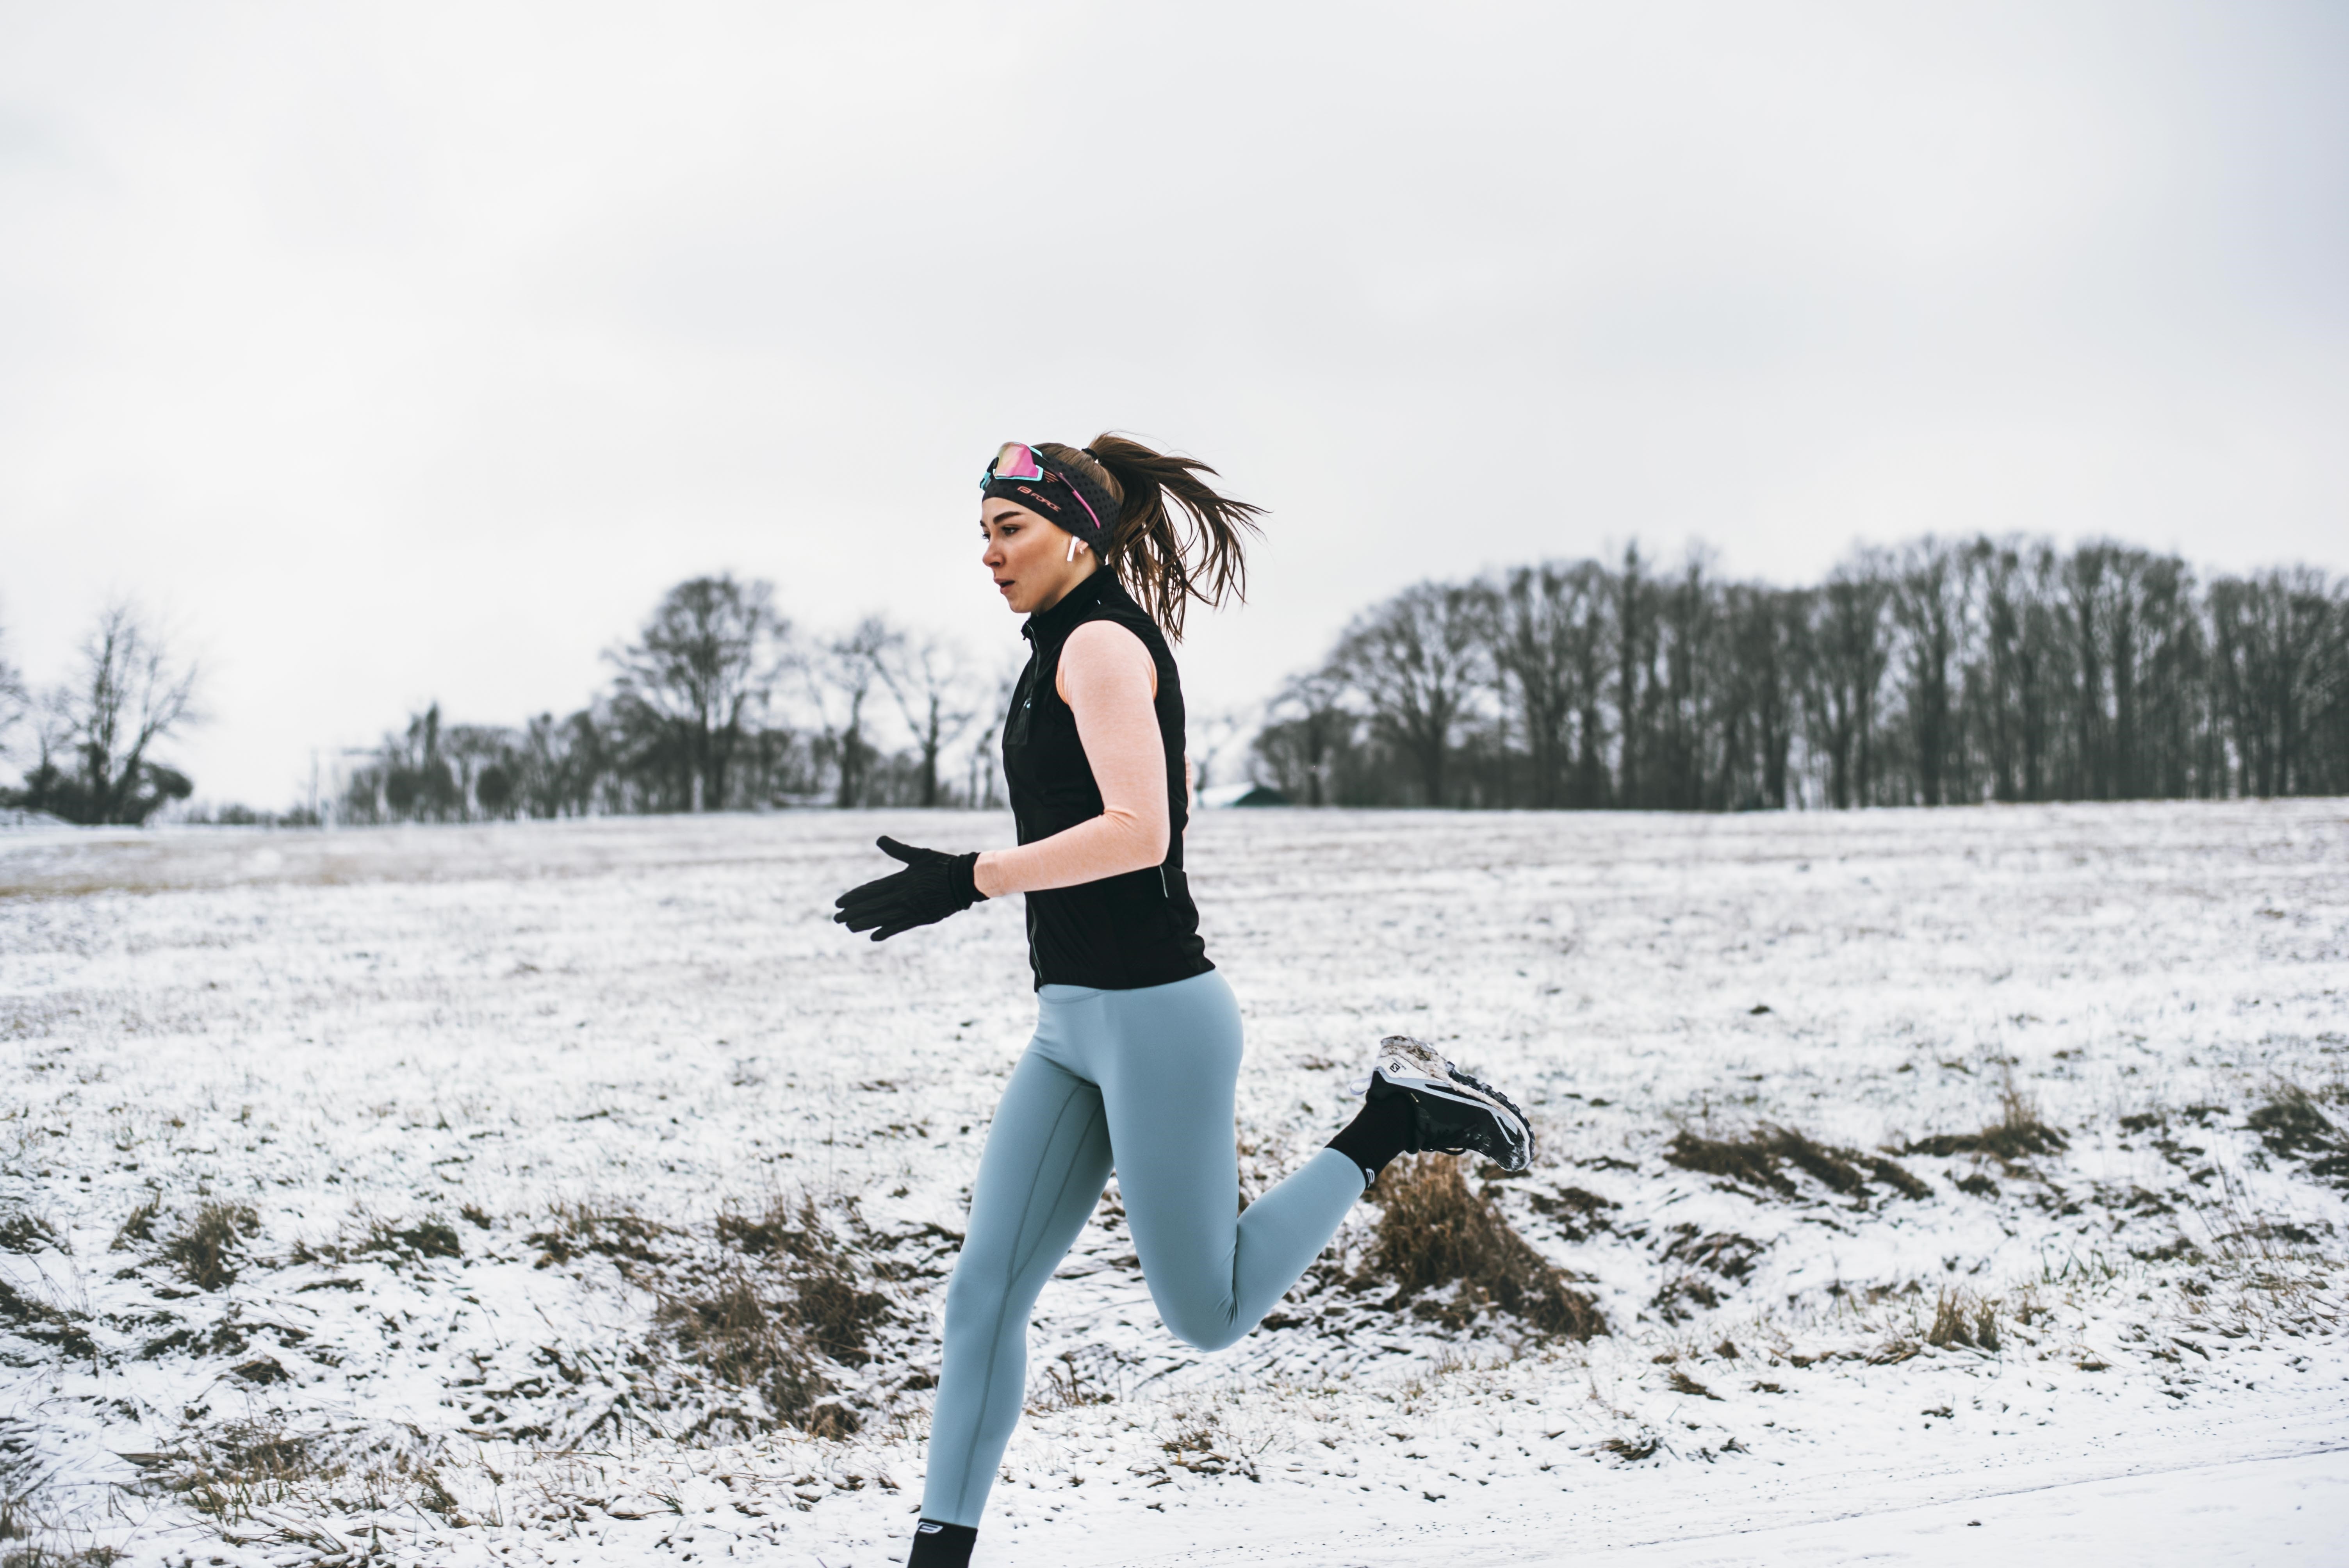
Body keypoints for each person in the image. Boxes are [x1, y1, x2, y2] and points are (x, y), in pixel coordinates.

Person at [832, 436, 1534, 1568]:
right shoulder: (1060, 646)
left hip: (1159, 1018)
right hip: (1071, 1025)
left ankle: (1393, 1120)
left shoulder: (1102, 644)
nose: (989, 554)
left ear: (1074, 532)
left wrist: (969, 878)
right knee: (983, 1294)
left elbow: (1139, 832)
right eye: (982, 533)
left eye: (1009, 530)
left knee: (1204, 1315)